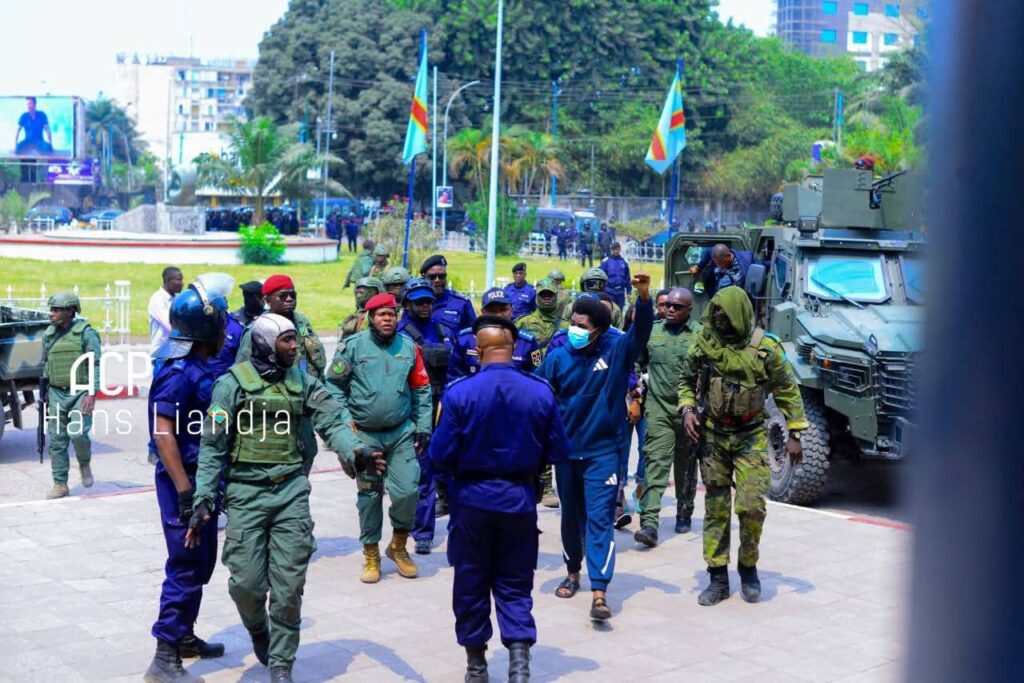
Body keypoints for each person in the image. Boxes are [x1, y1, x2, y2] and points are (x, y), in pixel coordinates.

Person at [187, 315, 354, 683]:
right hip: (245, 494)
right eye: (287, 340)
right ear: (264, 344)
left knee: (288, 587)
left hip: (290, 492)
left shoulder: (302, 382)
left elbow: (332, 421)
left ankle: (281, 663)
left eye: (295, 339)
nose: (296, 347)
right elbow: (212, 446)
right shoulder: (231, 386)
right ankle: (257, 629)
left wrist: (354, 451)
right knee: (245, 585)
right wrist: (203, 499)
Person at [429, 315, 571, 683]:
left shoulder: (459, 392)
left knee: (471, 582)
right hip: (518, 499)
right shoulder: (540, 391)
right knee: (515, 582)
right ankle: (519, 666)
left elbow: (439, 455)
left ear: (478, 350)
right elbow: (558, 450)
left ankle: (477, 667)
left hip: (471, 501)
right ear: (513, 348)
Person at [679, 287, 808, 606]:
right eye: (715, 315)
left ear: (740, 314)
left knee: (752, 506)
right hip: (713, 435)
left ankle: (748, 567)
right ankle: (717, 577)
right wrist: (688, 410)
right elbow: (686, 381)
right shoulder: (704, 343)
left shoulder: (766, 348)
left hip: (751, 435)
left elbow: (787, 390)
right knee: (716, 508)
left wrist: (794, 434)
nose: (719, 322)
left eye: (725, 316)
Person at [535, 272, 652, 621]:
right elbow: (536, 395)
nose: (574, 329)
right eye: (572, 323)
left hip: (603, 453)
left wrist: (644, 298)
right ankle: (573, 572)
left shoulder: (616, 352)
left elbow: (640, 332)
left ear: (599, 330)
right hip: (566, 454)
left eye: (581, 325)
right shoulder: (558, 358)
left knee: (600, 519)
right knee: (571, 518)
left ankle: (600, 590)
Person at [144, 286, 228, 683]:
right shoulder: (178, 372)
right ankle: (164, 656)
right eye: (222, 324)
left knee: (202, 561)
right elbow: (163, 435)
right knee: (186, 563)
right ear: (207, 329)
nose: (226, 330)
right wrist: (184, 492)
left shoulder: (200, 363)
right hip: (185, 481)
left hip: (202, 479)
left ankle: (183, 636)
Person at [325, 294, 433, 583]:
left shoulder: (408, 347)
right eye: (382, 314)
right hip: (364, 436)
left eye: (392, 314)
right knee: (370, 496)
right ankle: (371, 553)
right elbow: (333, 386)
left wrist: (424, 426)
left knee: (408, 491)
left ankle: (398, 546)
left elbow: (421, 388)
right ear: (371, 318)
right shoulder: (352, 347)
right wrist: (346, 422)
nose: (388, 319)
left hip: (401, 433)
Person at [632, 288, 700, 548]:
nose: (670, 309)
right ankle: (649, 523)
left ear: (689, 310)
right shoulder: (652, 331)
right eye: (668, 304)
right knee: (655, 464)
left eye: (677, 306)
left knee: (685, 466)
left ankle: (684, 510)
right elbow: (636, 361)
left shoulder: (700, 335)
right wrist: (635, 390)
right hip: (658, 409)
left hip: (690, 413)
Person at [396, 278, 455, 554]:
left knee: (447, 469)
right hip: (414, 411)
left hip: (443, 409)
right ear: (406, 304)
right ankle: (421, 531)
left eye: (428, 301)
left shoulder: (443, 331)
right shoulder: (399, 335)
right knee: (421, 473)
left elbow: (456, 370)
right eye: (418, 301)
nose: (425, 306)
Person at [41, 292, 101, 500]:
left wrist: (92, 393)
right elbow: (46, 364)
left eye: (56, 310)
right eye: (52, 310)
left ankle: (84, 463)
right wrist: (45, 392)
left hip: (80, 392)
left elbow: (95, 364)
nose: (52, 313)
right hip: (56, 392)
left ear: (70, 312)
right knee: (57, 440)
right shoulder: (49, 334)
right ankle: (60, 484)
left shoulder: (86, 333)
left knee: (77, 434)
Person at [516, 279, 568, 508]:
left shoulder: (567, 325)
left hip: (560, 388)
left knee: (556, 435)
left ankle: (554, 485)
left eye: (550, 294)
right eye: (543, 294)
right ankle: (540, 484)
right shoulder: (523, 323)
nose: (547, 298)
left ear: (557, 297)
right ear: (536, 296)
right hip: (531, 386)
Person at [238, 275, 326, 378]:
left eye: (292, 295)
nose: (289, 299)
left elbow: (308, 347)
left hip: (307, 380)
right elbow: (242, 367)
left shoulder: (300, 322)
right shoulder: (257, 329)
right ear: (268, 301)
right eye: (283, 296)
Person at [449, 288, 540, 381]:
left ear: (511, 310)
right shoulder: (466, 339)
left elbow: (536, 378)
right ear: (483, 313)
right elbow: (454, 377)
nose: (498, 315)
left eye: (503, 310)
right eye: (492, 311)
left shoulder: (527, 342)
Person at [420, 254, 476, 336]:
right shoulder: (415, 302)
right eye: (432, 277)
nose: (437, 280)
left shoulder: (461, 303)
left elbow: (472, 335)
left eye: (441, 276)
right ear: (424, 278)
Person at [150, 267, 184, 354]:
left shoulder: (178, 298)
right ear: (168, 280)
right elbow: (170, 325)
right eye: (179, 280)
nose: (182, 283)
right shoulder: (157, 300)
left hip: (177, 351)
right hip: (161, 353)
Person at [339, 276, 383, 341]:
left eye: (362, 292)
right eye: (357, 292)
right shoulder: (355, 317)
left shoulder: (385, 315)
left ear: (374, 292)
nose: (358, 296)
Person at [599, 242, 632, 308]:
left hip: (620, 292)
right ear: (612, 250)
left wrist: (629, 292)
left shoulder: (624, 262)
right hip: (609, 291)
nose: (616, 251)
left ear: (620, 249)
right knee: (609, 310)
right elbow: (600, 276)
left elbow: (627, 278)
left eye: (617, 249)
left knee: (620, 311)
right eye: (614, 249)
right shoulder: (606, 262)